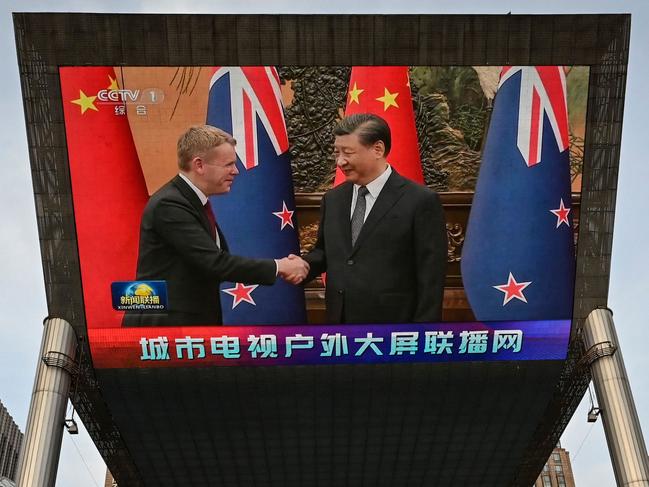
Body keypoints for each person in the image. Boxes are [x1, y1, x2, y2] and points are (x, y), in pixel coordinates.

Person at [123, 125, 308, 326]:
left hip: (190, 323)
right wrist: (279, 266)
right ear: (199, 165)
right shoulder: (169, 205)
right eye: (228, 164)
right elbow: (215, 263)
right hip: (165, 328)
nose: (236, 171)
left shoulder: (192, 201)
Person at [302, 113, 447, 323]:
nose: (340, 161)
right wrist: (300, 266)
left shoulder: (420, 201)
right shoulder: (333, 199)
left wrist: (422, 336)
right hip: (340, 329)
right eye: (336, 152)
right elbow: (326, 252)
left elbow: (431, 277)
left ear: (377, 149)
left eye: (348, 152)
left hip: (394, 331)